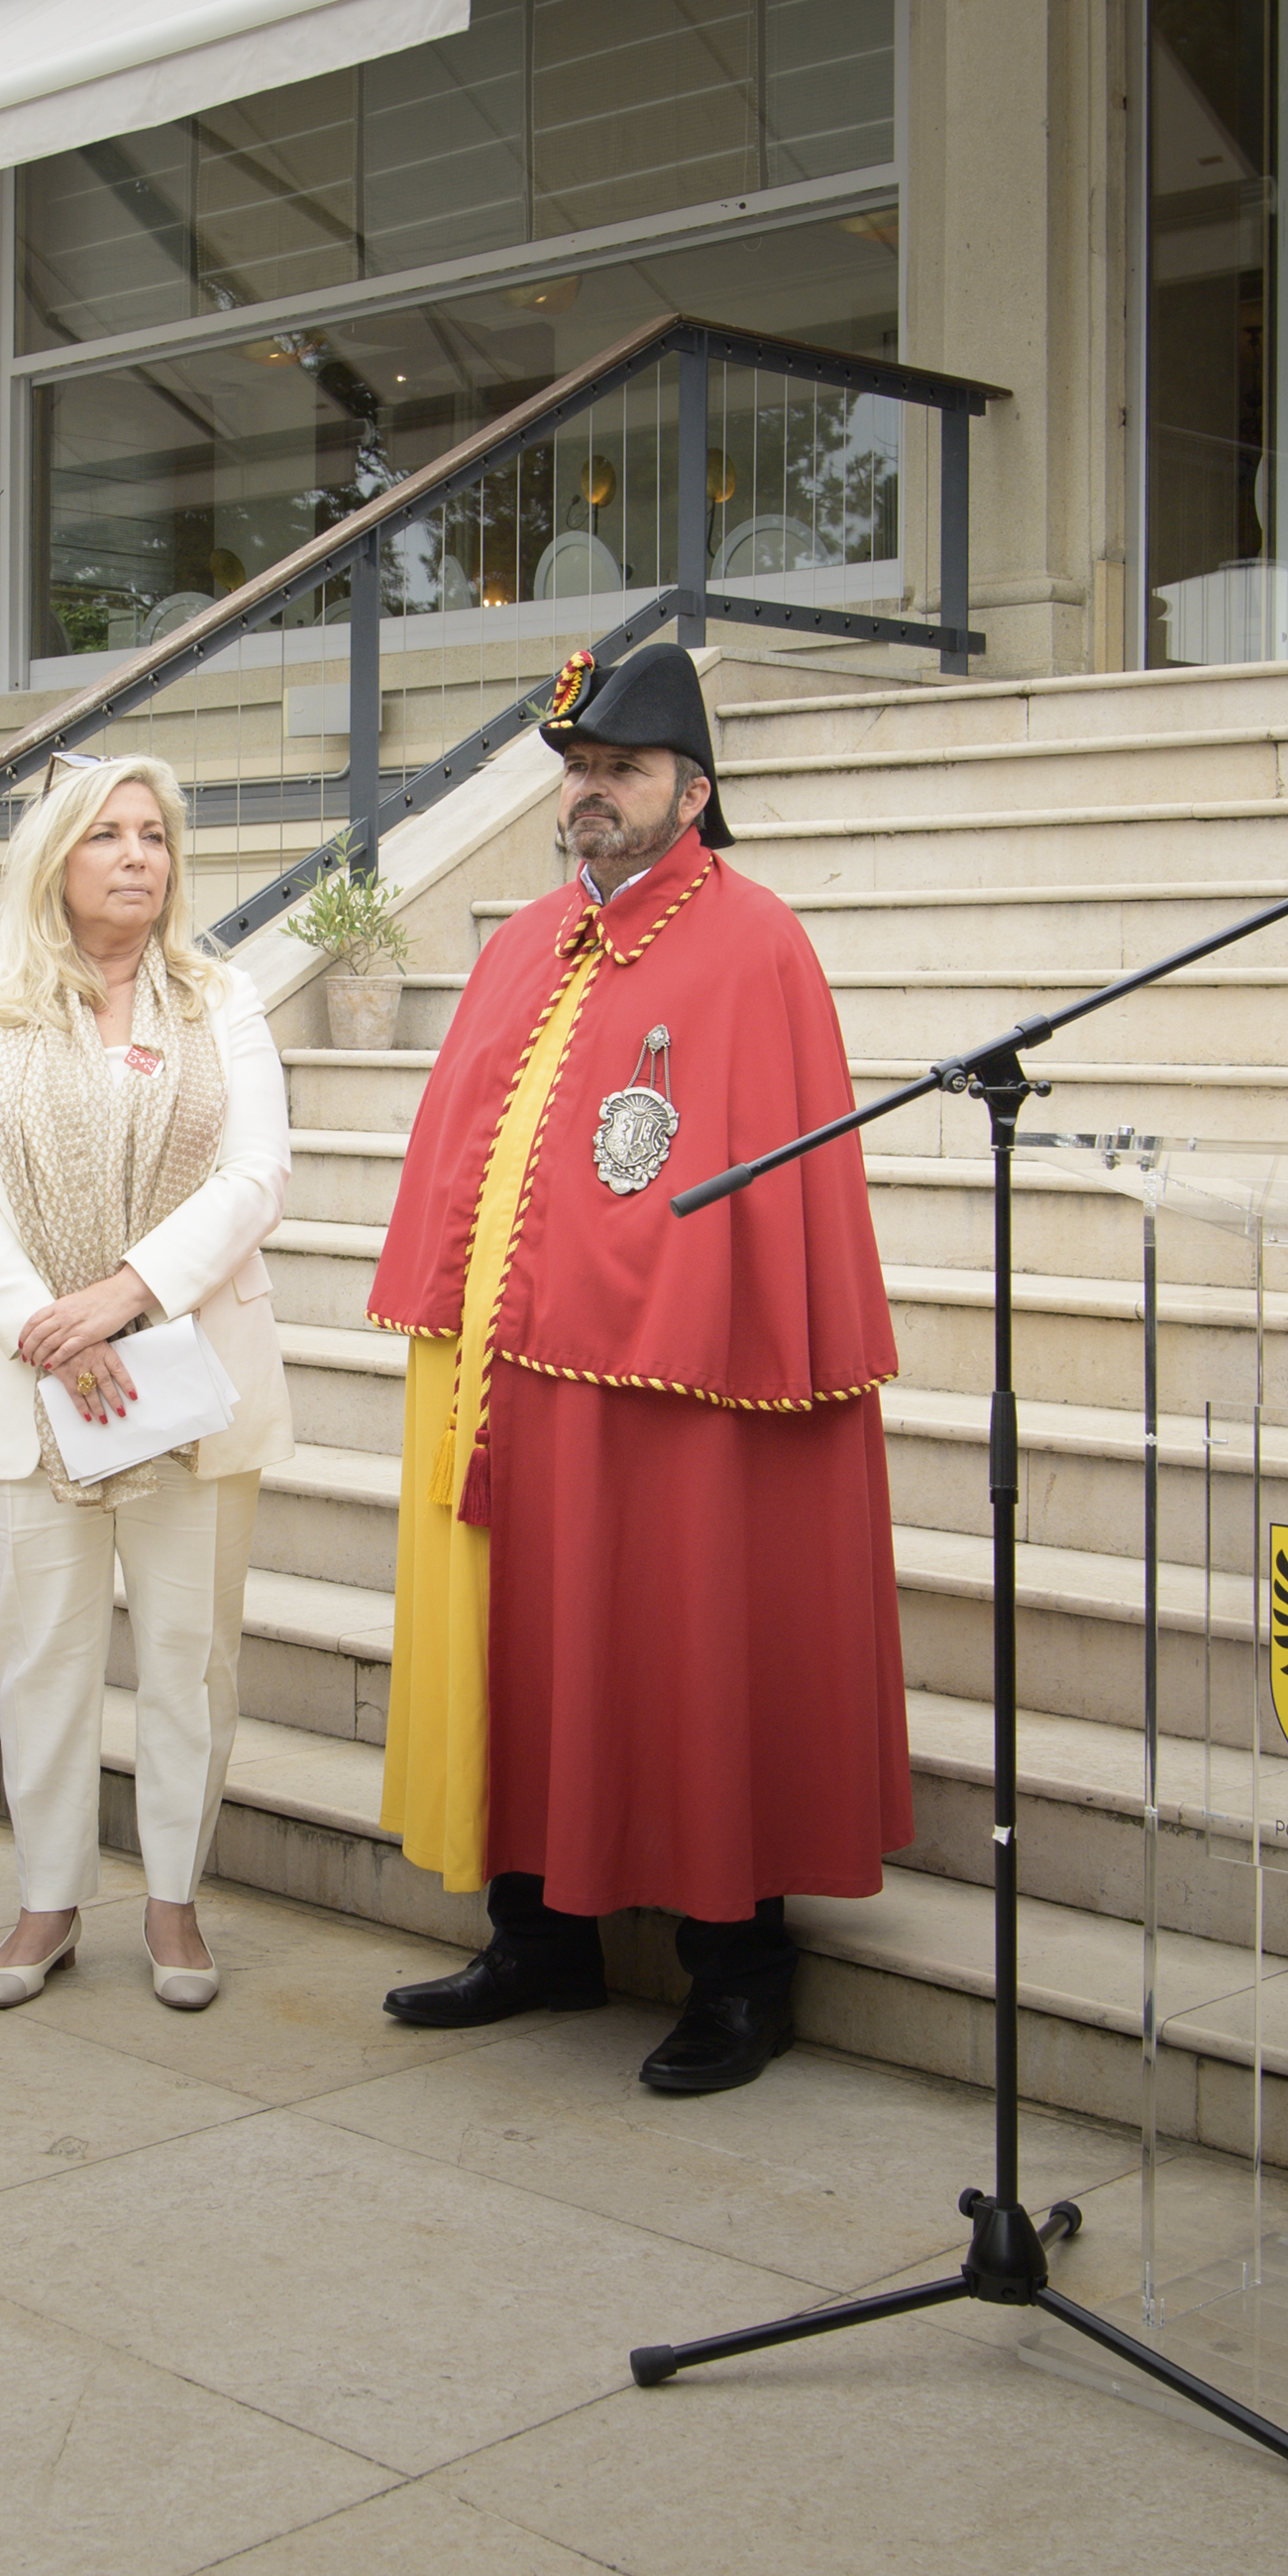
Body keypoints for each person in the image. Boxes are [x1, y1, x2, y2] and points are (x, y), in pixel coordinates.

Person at [373, 648, 912, 2095]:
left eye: (622, 767)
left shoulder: (753, 943)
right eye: (579, 767)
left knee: (691, 1640)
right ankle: (538, 1931)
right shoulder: (526, 935)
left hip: (680, 1383)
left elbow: (764, 1200)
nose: (591, 791)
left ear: (696, 787)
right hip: (514, 1375)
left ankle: (738, 1968)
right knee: (533, 1644)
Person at [0, 754, 292, 2013]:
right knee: (41, 1657)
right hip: (32, 1386)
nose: (137, 857)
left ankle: (173, 1900)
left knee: (190, 1660)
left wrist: (127, 1296)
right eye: (107, 836)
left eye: (154, 837)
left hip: (187, 1379)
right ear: (57, 857)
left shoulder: (220, 997)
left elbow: (255, 1177)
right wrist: (51, 1326)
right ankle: (47, 1900)